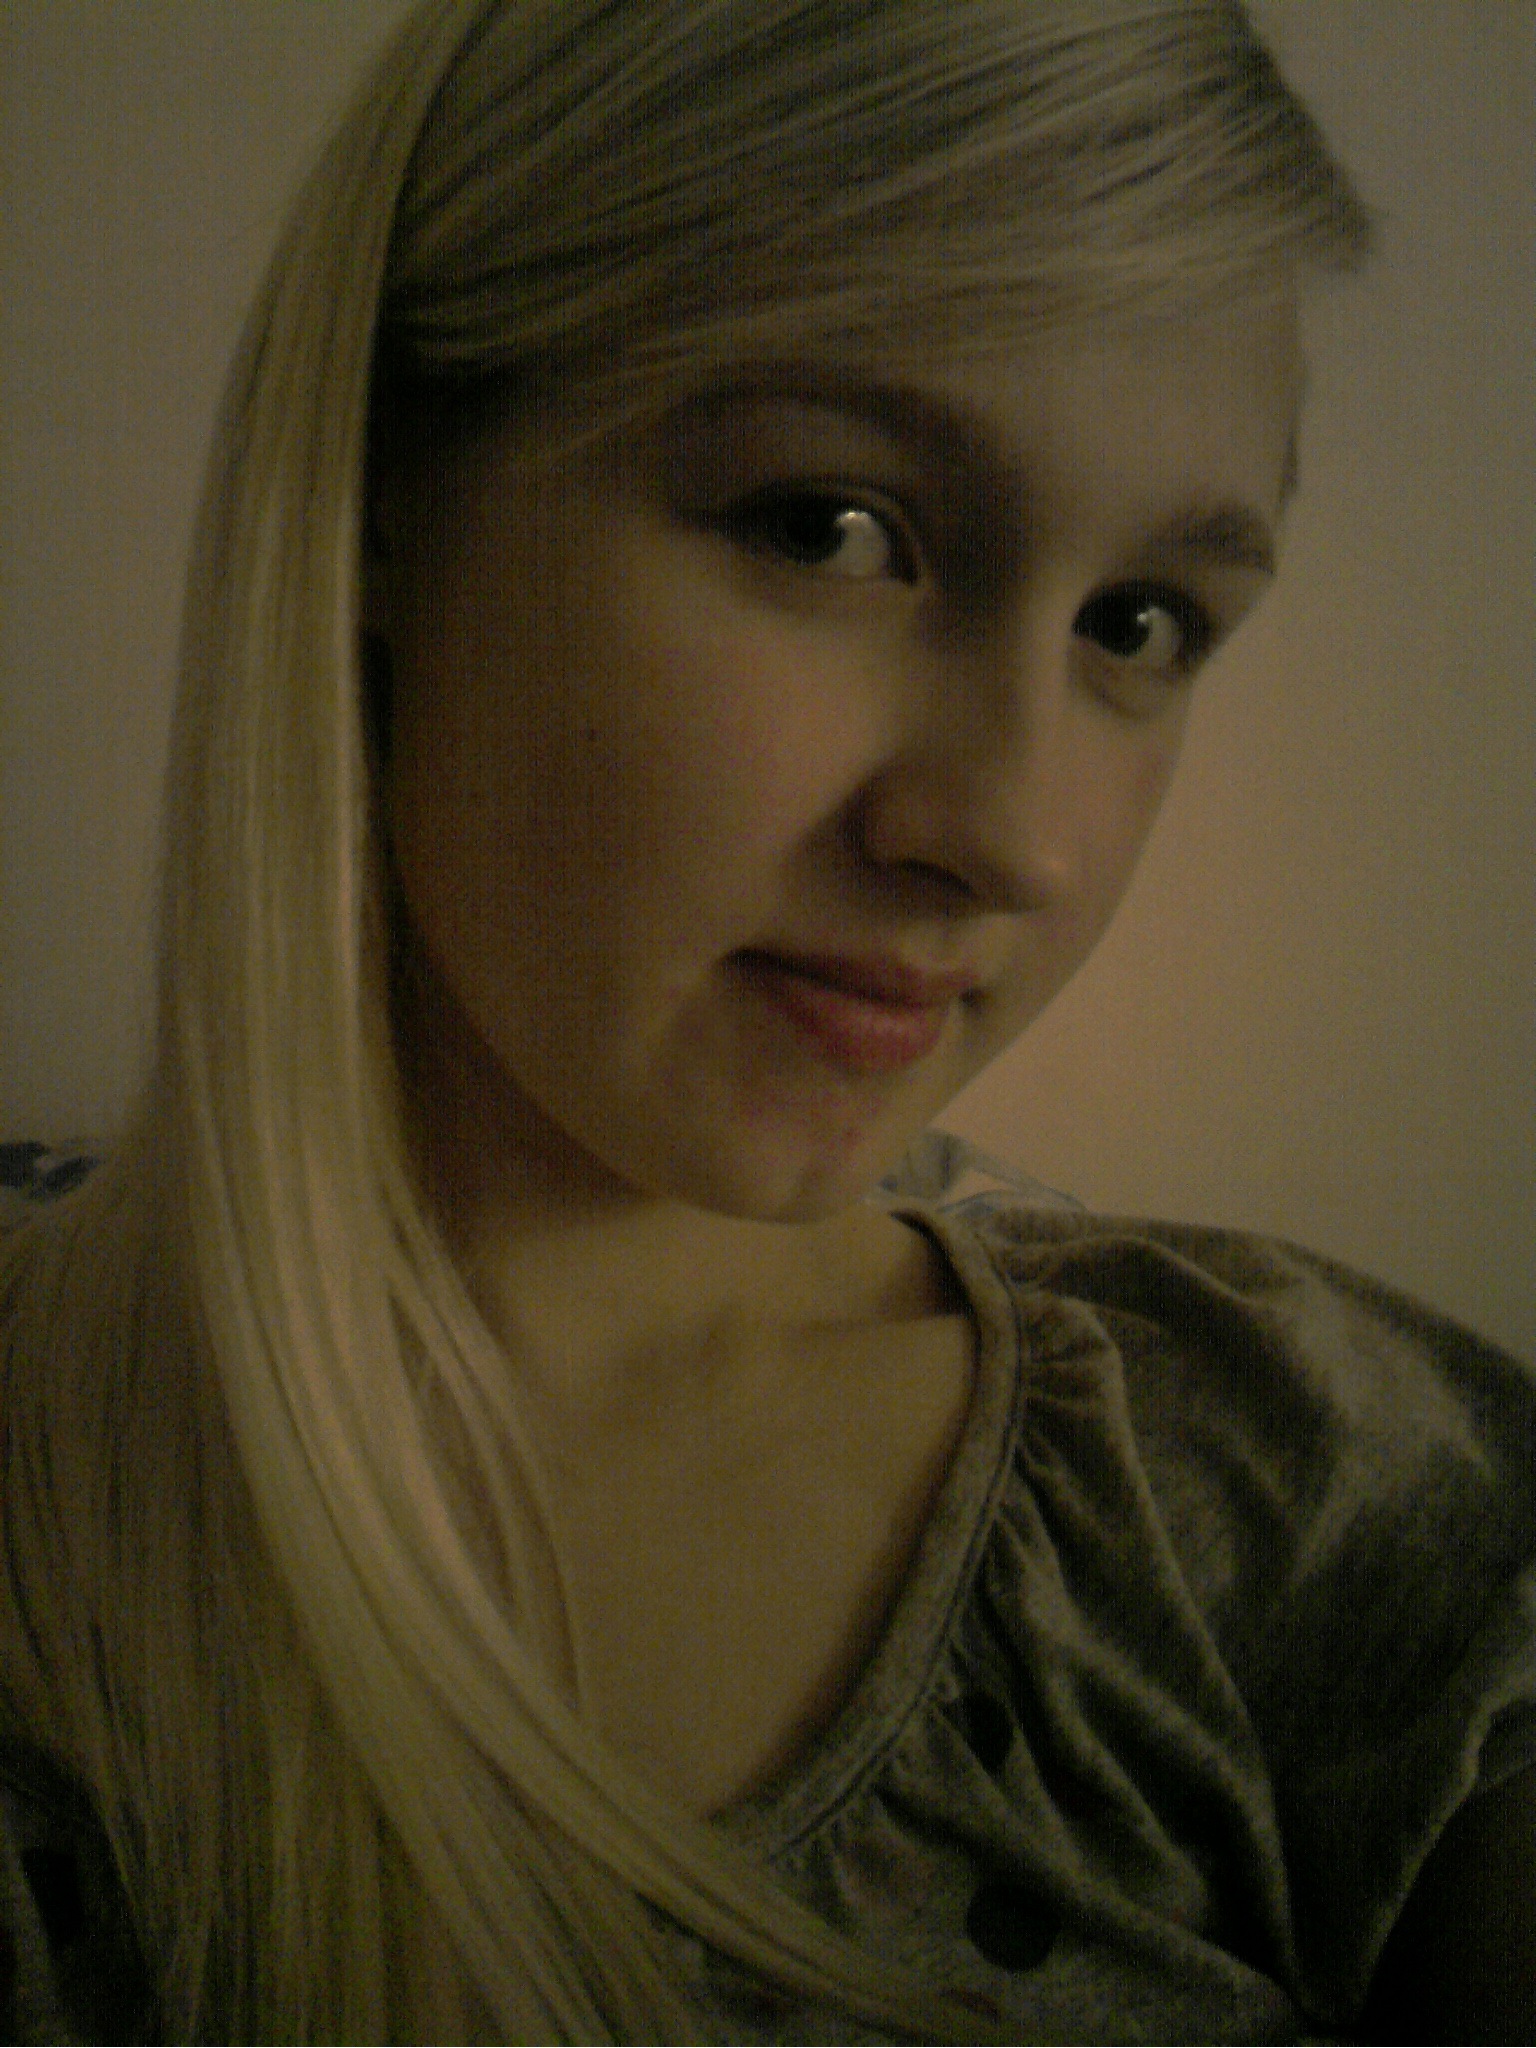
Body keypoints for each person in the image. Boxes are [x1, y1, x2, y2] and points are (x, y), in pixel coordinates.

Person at [1, 0, 1532, 2039]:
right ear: (382, 489)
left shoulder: (1314, 1493)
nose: (1016, 838)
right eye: (833, 527)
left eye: (1138, 623)